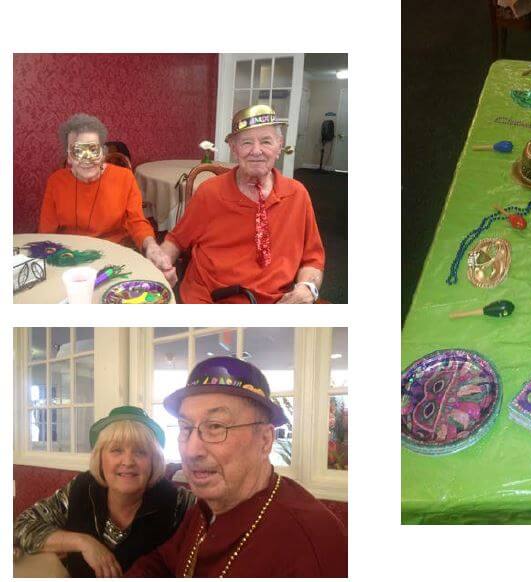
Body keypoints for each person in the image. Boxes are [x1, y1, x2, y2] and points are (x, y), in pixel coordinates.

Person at [126, 356, 348, 577]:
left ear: (264, 440)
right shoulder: (205, 507)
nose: (192, 450)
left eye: (215, 426)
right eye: (186, 428)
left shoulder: (312, 542)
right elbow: (162, 562)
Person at [150, 105, 325, 303]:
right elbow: (176, 241)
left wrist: (307, 288)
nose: (256, 151)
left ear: (279, 146)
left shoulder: (297, 195)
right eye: (246, 143)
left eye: (266, 141)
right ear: (234, 149)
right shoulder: (210, 192)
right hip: (210, 300)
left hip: (277, 303)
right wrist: (162, 267)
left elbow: (312, 259)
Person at [13, 407, 194, 577]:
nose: (128, 461)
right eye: (116, 450)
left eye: (140, 452)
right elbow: (22, 526)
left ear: (154, 461)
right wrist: (83, 542)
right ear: (100, 458)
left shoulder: (177, 502)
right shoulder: (81, 489)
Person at [38, 114, 174, 277]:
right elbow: (46, 233)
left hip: (115, 256)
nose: (86, 159)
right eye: (78, 151)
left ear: (103, 152)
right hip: (70, 259)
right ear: (69, 157)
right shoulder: (56, 182)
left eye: (93, 150)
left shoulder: (124, 178)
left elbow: (137, 222)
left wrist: (151, 247)